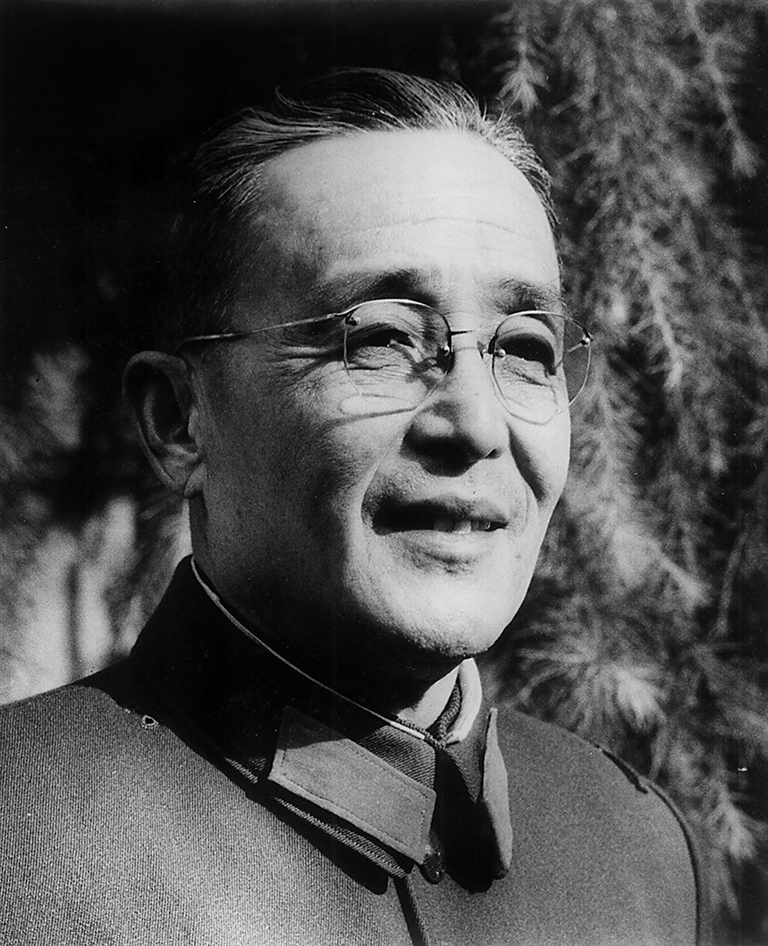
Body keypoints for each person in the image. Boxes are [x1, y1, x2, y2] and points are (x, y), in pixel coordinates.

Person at [0, 69, 706, 946]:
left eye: (525, 349)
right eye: (379, 339)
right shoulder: (18, 836)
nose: (476, 424)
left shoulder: (639, 849)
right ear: (180, 422)